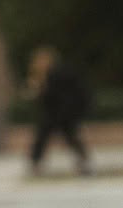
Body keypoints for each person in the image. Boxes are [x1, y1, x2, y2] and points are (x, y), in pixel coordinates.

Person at [24, 47, 94, 176]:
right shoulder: (48, 74)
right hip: (57, 112)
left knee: (57, 136)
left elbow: (56, 95)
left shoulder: (56, 74)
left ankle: (82, 162)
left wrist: (39, 90)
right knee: (52, 136)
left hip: (62, 112)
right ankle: (36, 162)